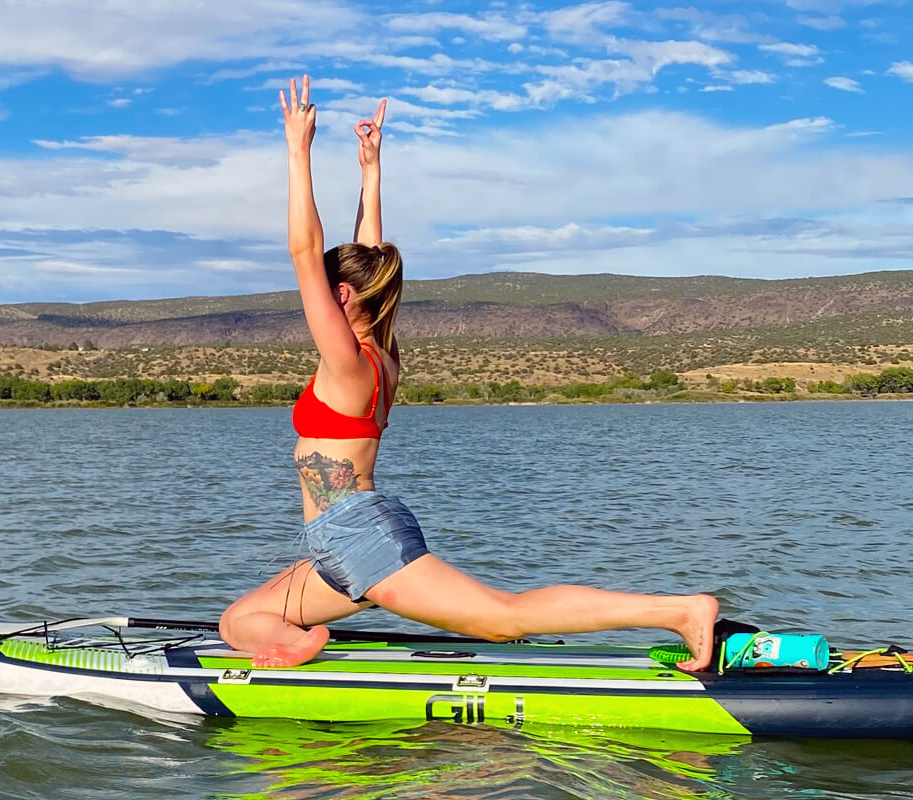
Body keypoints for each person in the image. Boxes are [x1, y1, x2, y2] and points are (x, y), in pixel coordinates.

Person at [219, 76, 719, 670]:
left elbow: (306, 252)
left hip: (357, 535)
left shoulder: (349, 365)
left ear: (344, 295)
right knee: (240, 620)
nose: (315, 300)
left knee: (500, 619)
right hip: (338, 540)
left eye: (328, 294)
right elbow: (370, 259)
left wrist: (297, 151)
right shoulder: (378, 348)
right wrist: (370, 169)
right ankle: (302, 646)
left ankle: (680, 610)